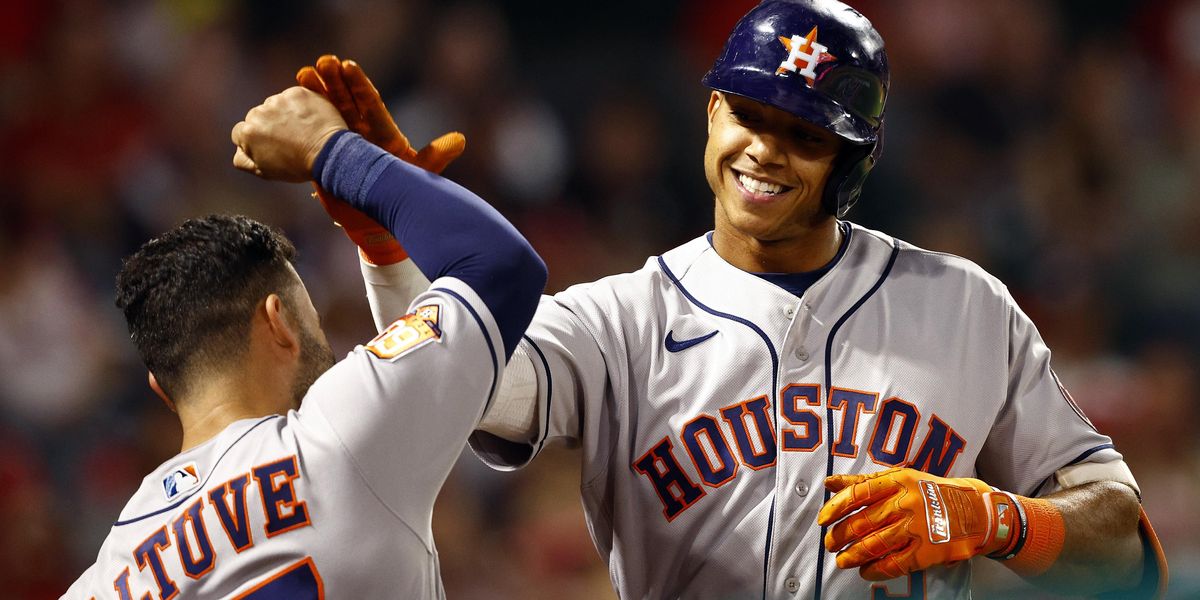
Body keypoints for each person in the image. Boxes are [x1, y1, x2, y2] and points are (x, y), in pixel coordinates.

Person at [306, 0, 1169, 597]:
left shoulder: (967, 308)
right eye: (750, 116)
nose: (764, 151)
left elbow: (1127, 554)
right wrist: (388, 245)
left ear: (853, 165)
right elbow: (452, 380)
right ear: (713, 113)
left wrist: (995, 518)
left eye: (804, 135)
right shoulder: (618, 319)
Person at [61, 73, 546, 598]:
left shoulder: (105, 575)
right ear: (279, 322)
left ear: (161, 387)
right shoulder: (337, 435)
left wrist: (383, 246)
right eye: (310, 315)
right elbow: (500, 264)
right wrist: (339, 157)